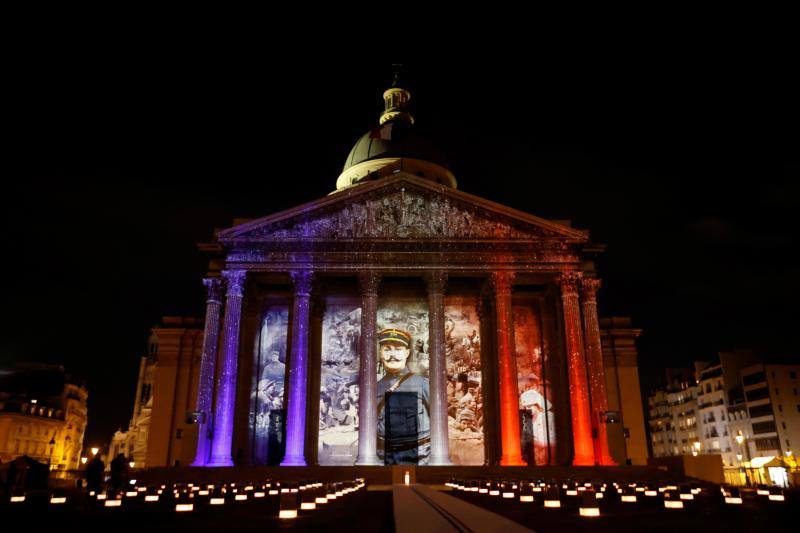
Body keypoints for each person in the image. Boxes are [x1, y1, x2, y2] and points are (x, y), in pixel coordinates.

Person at [376, 328, 430, 465]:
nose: (392, 354)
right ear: (381, 353)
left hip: (420, 456)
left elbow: (438, 418)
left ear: (407, 353)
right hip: (385, 457)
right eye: (387, 349)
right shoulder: (374, 388)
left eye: (398, 349)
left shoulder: (422, 384)